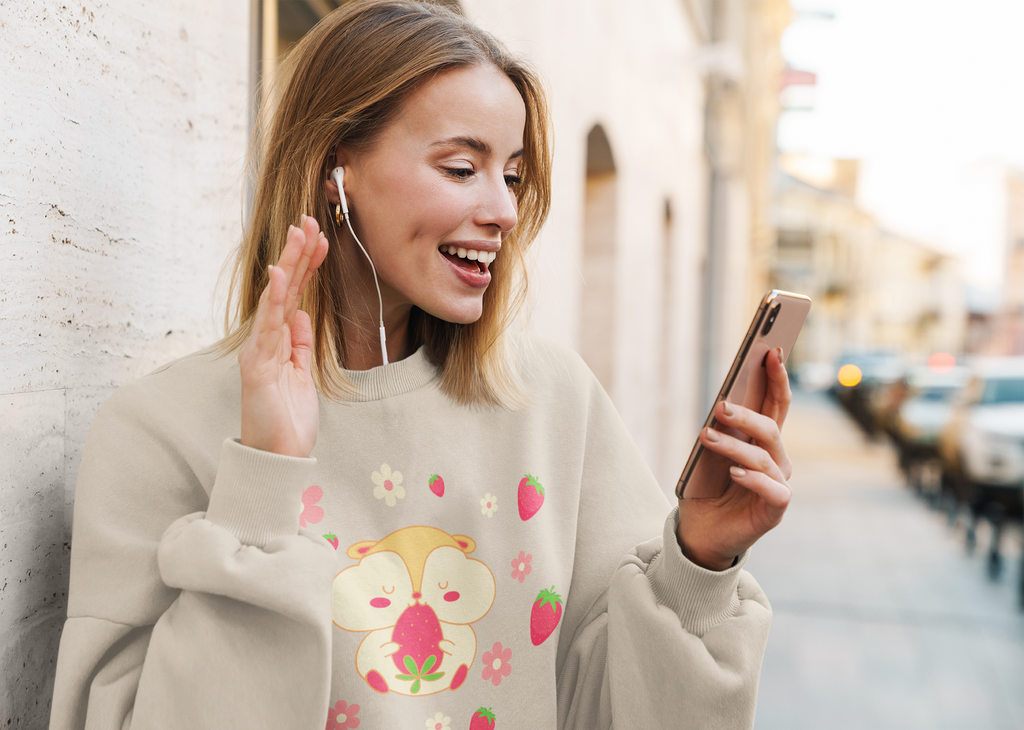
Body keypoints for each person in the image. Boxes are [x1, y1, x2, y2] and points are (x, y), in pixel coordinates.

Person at [49, 1, 794, 728]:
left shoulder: (556, 402)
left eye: (512, 176)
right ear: (335, 171)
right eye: (462, 167)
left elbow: (612, 704)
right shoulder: (156, 431)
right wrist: (262, 485)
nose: (504, 210)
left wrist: (699, 562)